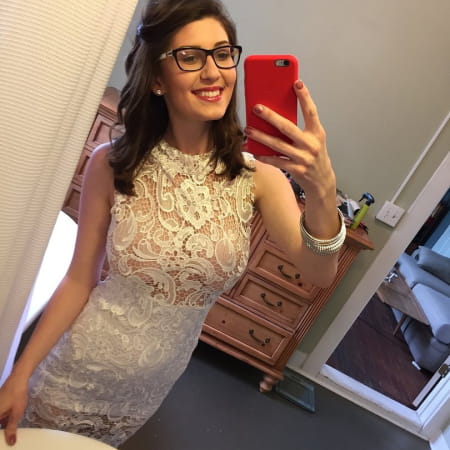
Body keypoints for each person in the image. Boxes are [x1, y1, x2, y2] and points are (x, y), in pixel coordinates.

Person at [0, 0, 345, 447]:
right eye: (190, 57)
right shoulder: (113, 165)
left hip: (148, 390)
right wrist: (19, 373)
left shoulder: (260, 180)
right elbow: (79, 279)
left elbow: (320, 273)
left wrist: (323, 190)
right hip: (76, 371)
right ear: (157, 79)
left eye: (223, 54)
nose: (213, 72)